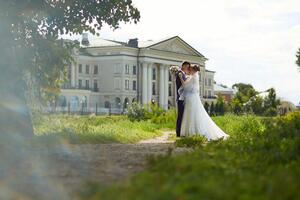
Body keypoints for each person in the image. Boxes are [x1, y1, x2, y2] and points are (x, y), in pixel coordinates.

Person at [178, 65, 229, 140]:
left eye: (191, 69)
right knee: (191, 114)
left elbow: (185, 86)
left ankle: (192, 132)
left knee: (192, 114)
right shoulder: (194, 77)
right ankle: (190, 132)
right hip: (192, 98)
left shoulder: (194, 77)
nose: (189, 71)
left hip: (192, 99)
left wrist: (180, 77)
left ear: (194, 70)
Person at [175, 61, 190, 137]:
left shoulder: (184, 74)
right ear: (183, 66)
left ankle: (181, 131)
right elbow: (182, 86)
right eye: (186, 66)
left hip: (184, 98)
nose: (187, 68)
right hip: (181, 98)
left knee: (183, 115)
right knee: (180, 115)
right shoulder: (180, 73)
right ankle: (178, 132)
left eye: (188, 67)